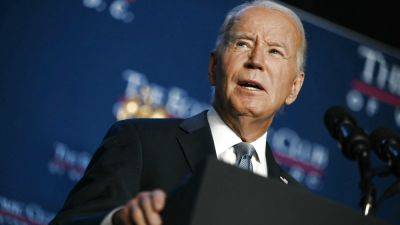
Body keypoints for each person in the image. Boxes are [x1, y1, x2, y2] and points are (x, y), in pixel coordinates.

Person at [50, 0, 306, 224]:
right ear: (213, 67)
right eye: (242, 44)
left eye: (275, 51)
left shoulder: (294, 201)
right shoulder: (139, 141)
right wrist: (118, 221)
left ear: (294, 87)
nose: (256, 61)